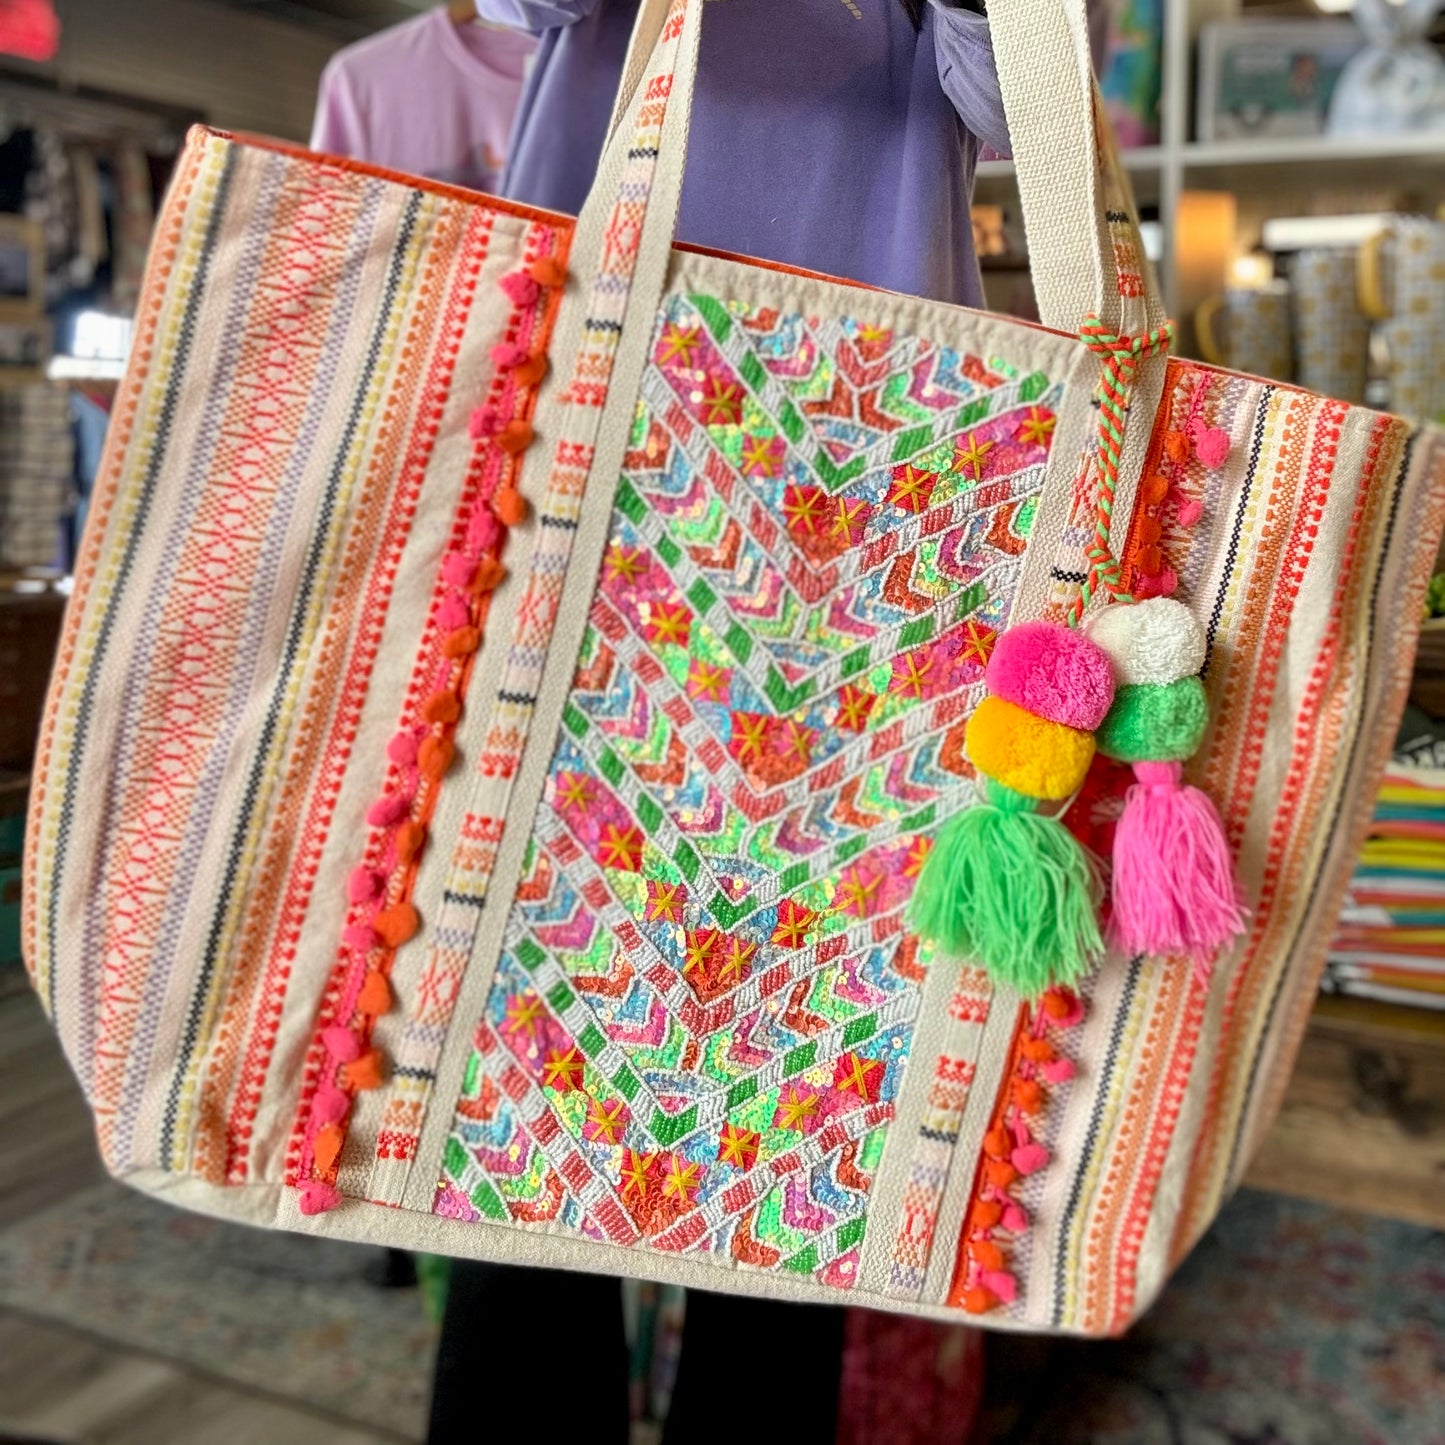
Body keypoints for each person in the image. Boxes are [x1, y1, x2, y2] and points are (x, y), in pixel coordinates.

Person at [427, 4, 1111, 1442]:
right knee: (515, 1040)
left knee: (804, 1081)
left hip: (878, 468)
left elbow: (1019, 98)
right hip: (590, 434)